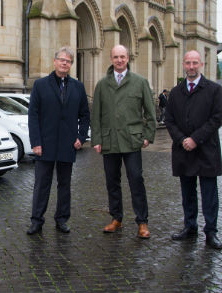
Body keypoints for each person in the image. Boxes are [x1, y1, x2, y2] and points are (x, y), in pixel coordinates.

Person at [90, 45, 156, 239]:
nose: (119, 60)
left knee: (136, 180)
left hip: (132, 141)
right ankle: (116, 218)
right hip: (110, 141)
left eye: (123, 57)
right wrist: (96, 139)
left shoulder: (140, 82)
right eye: (116, 57)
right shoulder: (102, 84)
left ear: (128, 58)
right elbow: (97, 116)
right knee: (112, 182)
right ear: (111, 59)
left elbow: (150, 113)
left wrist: (147, 135)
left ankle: (142, 222)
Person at [26, 46, 90, 235]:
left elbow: (85, 115)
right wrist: (35, 142)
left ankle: (62, 219)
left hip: (67, 144)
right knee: (41, 185)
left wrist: (81, 137)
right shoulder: (40, 85)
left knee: (65, 185)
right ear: (54, 62)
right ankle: (36, 220)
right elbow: (33, 116)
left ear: (71, 64)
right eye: (62, 60)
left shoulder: (78, 87)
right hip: (44, 145)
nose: (64, 63)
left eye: (68, 61)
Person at [165, 50, 222, 250]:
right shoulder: (175, 92)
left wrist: (196, 139)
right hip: (184, 151)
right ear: (183, 64)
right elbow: (169, 120)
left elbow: (217, 118)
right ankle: (190, 227)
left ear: (201, 64)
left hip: (206, 150)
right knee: (187, 192)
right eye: (188, 63)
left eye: (195, 63)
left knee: (209, 194)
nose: (191, 66)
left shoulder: (214, 90)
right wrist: (182, 140)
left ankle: (211, 231)